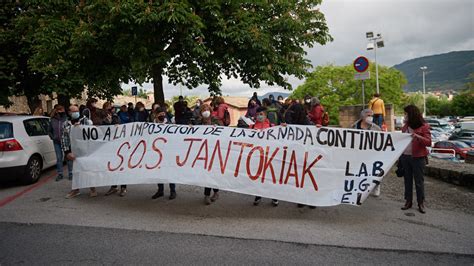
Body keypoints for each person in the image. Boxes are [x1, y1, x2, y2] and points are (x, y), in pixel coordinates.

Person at [400, 105, 431, 214]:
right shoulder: (405, 126)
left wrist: (417, 136)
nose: (404, 115)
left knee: (419, 181)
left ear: (411, 114)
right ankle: (408, 201)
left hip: (418, 157)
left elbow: (428, 142)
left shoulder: (424, 126)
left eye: (406, 114)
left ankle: (420, 203)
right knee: (407, 180)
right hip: (405, 157)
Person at [285, 103, 315, 209]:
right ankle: (307, 200)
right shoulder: (303, 121)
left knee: (304, 178)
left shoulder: (306, 123)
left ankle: (306, 199)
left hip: (301, 154)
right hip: (302, 154)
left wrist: (318, 129)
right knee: (305, 178)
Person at [64, 105, 97, 199]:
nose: (75, 113)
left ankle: (93, 189)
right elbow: (64, 138)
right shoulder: (66, 124)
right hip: (74, 151)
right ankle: (76, 189)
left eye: (77, 111)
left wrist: (81, 128)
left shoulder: (85, 121)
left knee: (89, 169)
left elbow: (93, 132)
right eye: (73, 111)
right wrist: (67, 152)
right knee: (75, 171)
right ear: (69, 112)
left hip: (86, 150)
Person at [250, 107, 279, 207]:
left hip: (270, 156)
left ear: (266, 115)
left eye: (261, 114)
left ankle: (274, 197)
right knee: (258, 177)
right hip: (257, 156)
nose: (259, 116)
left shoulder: (272, 126)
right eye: (258, 114)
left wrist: (284, 127)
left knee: (270, 177)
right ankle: (258, 196)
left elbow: (282, 135)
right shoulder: (252, 127)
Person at [352, 109, 382, 196]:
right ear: (362, 116)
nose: (371, 117)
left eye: (372, 115)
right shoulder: (354, 126)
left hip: (371, 153)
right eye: (368, 115)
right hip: (358, 152)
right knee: (359, 170)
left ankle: (376, 186)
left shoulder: (376, 128)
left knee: (374, 170)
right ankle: (360, 187)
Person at [197, 104, 221, 205]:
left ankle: (211, 193)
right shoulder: (198, 122)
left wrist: (218, 128)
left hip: (214, 151)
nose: (205, 111)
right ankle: (211, 193)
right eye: (203, 110)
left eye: (207, 109)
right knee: (206, 174)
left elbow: (223, 132)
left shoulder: (215, 121)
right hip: (202, 152)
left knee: (212, 173)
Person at [151, 107, 177, 200]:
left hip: (168, 150)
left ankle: (173, 191)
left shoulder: (169, 124)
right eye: (160, 114)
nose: (162, 116)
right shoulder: (152, 124)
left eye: (163, 114)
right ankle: (160, 190)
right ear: (156, 115)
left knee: (170, 171)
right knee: (158, 171)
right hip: (156, 151)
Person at [103, 102, 127, 197]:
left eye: (111, 108)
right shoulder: (103, 117)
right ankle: (113, 186)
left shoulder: (115, 116)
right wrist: (106, 122)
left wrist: (112, 121)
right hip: (108, 146)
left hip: (118, 145)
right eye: (109, 108)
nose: (111, 110)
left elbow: (118, 126)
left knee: (121, 166)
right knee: (111, 167)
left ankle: (123, 187)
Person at [48, 105, 72, 181]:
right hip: (57, 141)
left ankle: (71, 173)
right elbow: (49, 130)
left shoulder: (66, 118)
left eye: (63, 110)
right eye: (61, 110)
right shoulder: (52, 120)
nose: (62, 111)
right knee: (59, 158)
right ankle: (60, 174)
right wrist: (53, 137)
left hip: (66, 141)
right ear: (57, 110)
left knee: (68, 157)